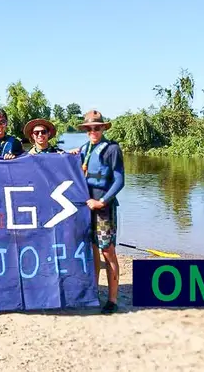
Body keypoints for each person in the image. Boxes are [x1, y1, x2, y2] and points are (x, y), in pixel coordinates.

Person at [69, 110, 125, 315]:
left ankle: (112, 299)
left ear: (103, 128)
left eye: (97, 127)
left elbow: (120, 180)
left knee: (107, 251)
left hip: (103, 208)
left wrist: (102, 201)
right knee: (93, 250)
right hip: (87, 207)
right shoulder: (85, 148)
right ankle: (94, 293)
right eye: (90, 128)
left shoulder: (112, 149)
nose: (94, 131)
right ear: (85, 130)